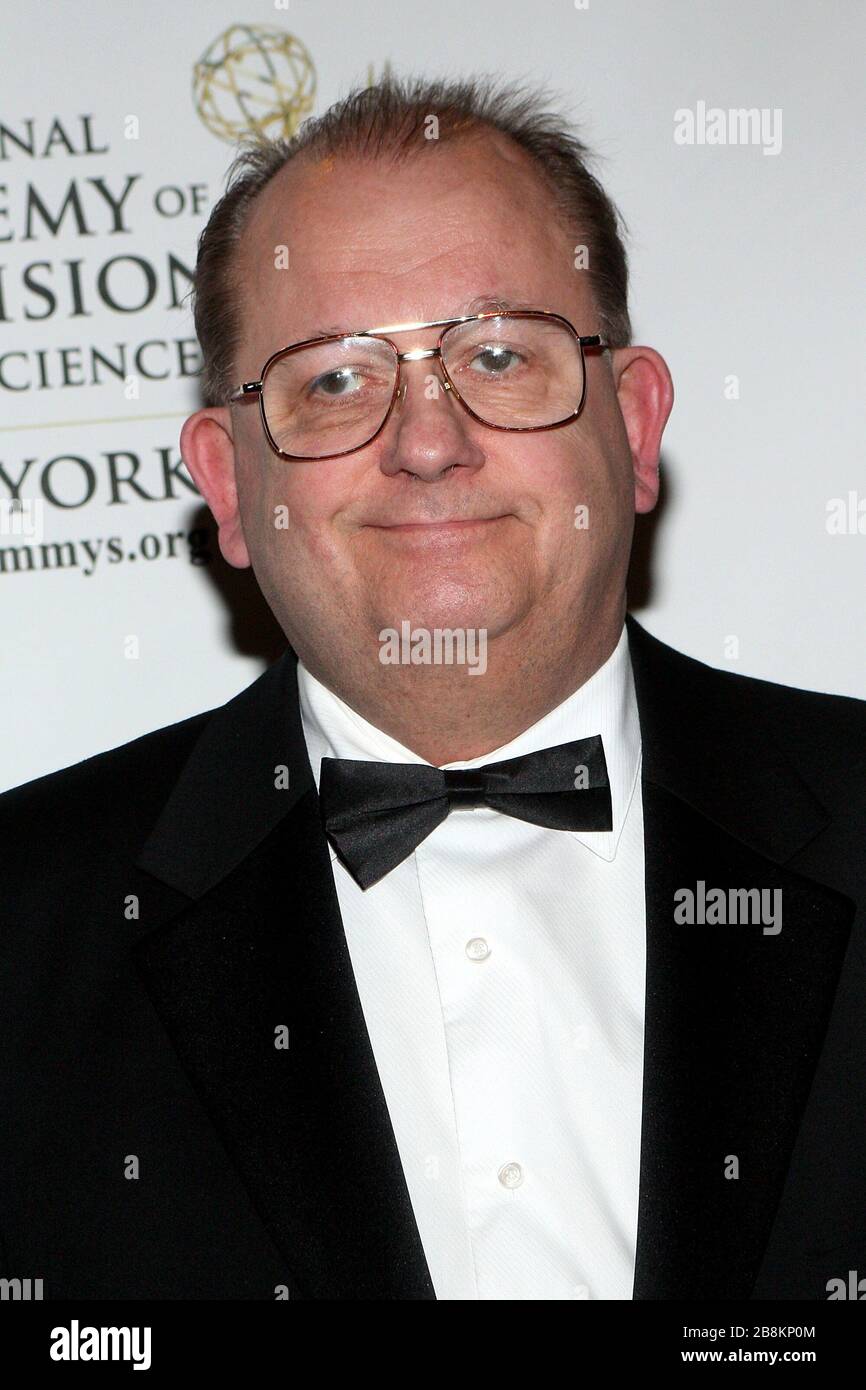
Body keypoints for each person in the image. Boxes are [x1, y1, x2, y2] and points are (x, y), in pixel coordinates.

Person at [1, 74, 863, 1302]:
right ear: (230, 486)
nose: (426, 439)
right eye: (336, 380)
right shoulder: (24, 932)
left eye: (497, 353)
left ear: (632, 424)